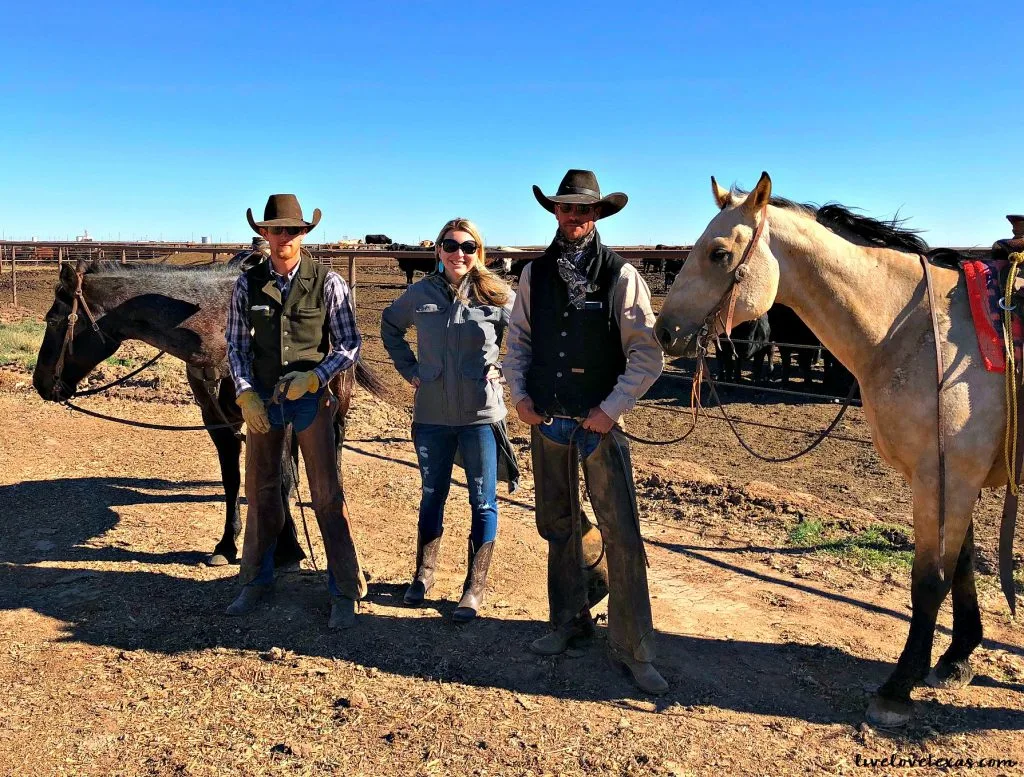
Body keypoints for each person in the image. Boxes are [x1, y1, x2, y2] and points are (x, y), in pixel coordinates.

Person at [503, 170, 668, 693]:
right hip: (548, 419)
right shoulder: (534, 275)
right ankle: (567, 622)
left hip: (598, 423)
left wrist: (613, 408)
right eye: (568, 209)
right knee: (557, 524)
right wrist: (520, 396)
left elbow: (646, 352)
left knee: (621, 532)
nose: (576, 217)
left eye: (585, 210)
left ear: (597, 216)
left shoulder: (621, 276)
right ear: (556, 212)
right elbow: (519, 340)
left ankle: (634, 647)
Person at [225, 194, 366, 629]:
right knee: (262, 490)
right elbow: (237, 345)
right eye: (276, 229)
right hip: (265, 402)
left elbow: (350, 344)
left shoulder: (328, 282)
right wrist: (245, 393)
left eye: (292, 230)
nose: (284, 237)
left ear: (303, 234)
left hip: (310, 400)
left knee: (326, 494)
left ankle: (345, 587)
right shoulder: (246, 285)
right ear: (263, 234)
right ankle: (255, 578)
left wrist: (316, 376)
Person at [381, 218, 517, 622]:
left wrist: (506, 369)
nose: (460, 253)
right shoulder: (419, 293)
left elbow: (528, 338)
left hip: (480, 414)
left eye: (468, 246)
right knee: (432, 493)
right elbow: (389, 327)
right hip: (432, 414)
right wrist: (410, 370)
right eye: (451, 244)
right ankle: (423, 575)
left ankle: (473, 588)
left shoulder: (497, 294)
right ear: (438, 250)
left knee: (483, 500)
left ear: (480, 251)